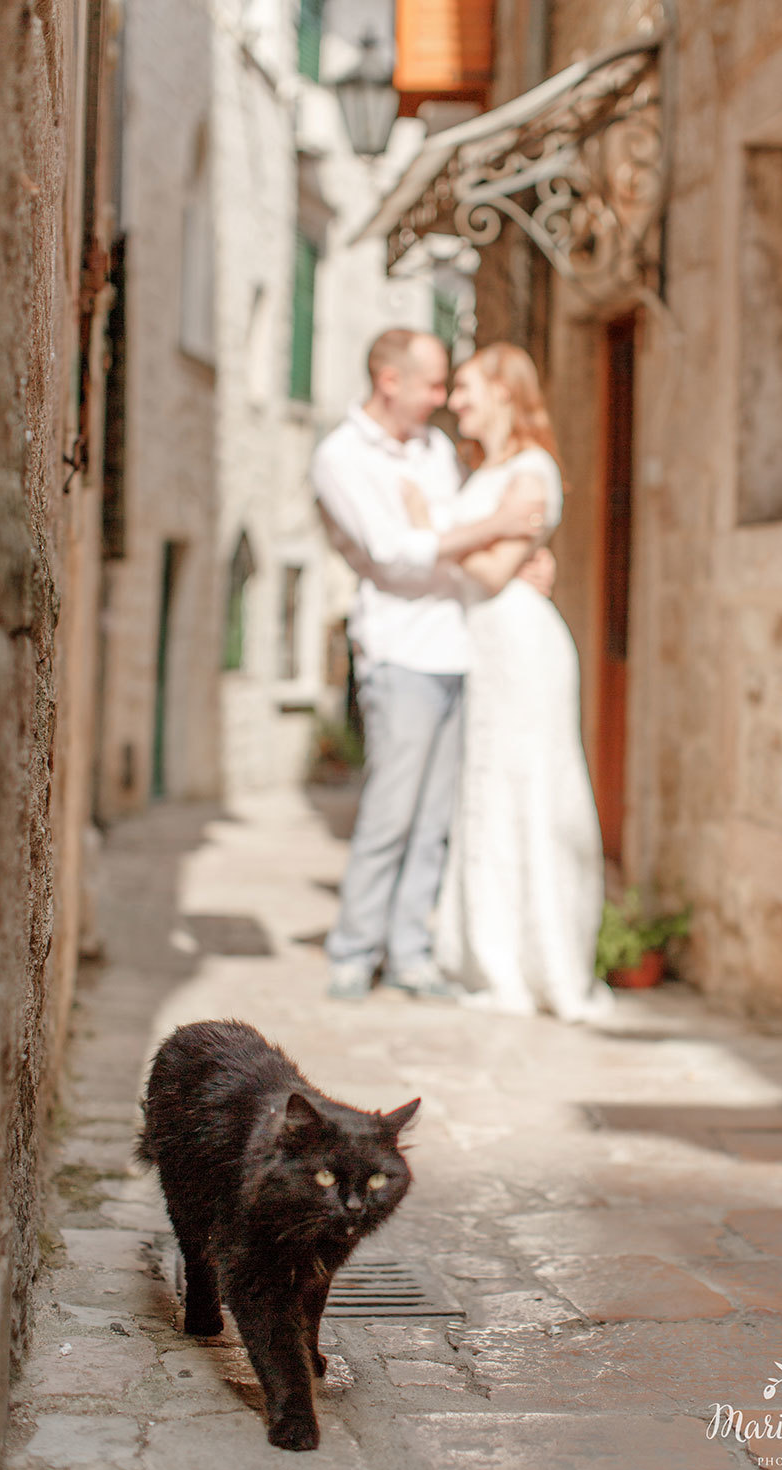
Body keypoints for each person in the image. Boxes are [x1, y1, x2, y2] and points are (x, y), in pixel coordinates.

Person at [311, 329, 545, 1001]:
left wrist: (512, 554)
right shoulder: (342, 456)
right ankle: (354, 952)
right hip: (400, 650)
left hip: (459, 645)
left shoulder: (437, 449)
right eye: (434, 385)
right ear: (390, 381)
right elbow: (394, 554)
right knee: (391, 809)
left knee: (434, 816)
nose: (443, 399)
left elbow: (444, 538)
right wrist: (500, 524)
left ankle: (409, 952)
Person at [404, 343, 611, 1023]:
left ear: (503, 390)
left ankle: (537, 961)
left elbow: (493, 574)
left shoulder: (534, 468)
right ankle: (491, 951)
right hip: (485, 649)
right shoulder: (487, 473)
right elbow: (487, 557)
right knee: (487, 789)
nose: (455, 401)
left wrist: (433, 530)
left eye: (465, 387)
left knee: (528, 790)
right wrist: (478, 535)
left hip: (522, 645)